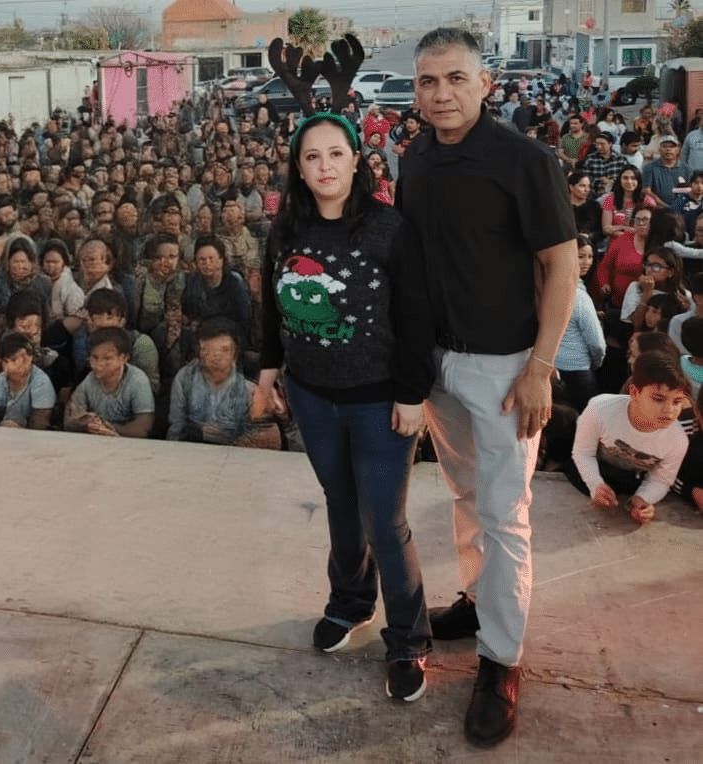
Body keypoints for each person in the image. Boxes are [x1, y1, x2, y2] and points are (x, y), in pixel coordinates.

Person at [395, 28, 578, 746]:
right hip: (438, 364)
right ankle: (478, 600)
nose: (441, 93)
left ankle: (501, 660)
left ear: (485, 84)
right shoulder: (415, 158)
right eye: (427, 81)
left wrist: (539, 367)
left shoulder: (525, 160)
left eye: (455, 78)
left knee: (506, 514)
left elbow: (562, 267)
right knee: (467, 495)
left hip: (505, 369)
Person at [255, 57, 434, 701]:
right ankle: (351, 604)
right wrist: (268, 371)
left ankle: (408, 640)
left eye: (336, 153)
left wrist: (412, 394)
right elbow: (271, 307)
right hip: (312, 397)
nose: (325, 166)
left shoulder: (389, 230)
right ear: (298, 168)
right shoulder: (285, 229)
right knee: (340, 506)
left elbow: (417, 320)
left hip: (379, 403)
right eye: (312, 157)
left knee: (385, 521)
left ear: (357, 160)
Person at [567, 350, 689, 525]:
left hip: (633, 481)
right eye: (658, 399)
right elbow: (583, 453)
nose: (669, 410)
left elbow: (661, 479)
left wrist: (643, 499)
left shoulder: (678, 440)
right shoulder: (600, 409)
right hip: (592, 469)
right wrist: (595, 485)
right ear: (634, 392)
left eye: (677, 401)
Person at [168, 317, 277, 448]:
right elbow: (176, 425)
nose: (217, 357)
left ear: (235, 353)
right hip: (191, 449)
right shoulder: (185, 378)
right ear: (200, 352)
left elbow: (263, 437)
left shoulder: (250, 389)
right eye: (209, 350)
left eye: (224, 350)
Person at [63, 326, 154, 438]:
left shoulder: (137, 381)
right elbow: (70, 420)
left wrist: (107, 428)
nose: (99, 364)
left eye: (107, 358)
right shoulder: (90, 380)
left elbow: (144, 429)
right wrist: (86, 423)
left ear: (124, 358)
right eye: (94, 357)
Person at [555, 235, 606, 411]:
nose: (587, 262)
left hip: (555, 367)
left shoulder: (550, 289)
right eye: (581, 256)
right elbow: (597, 344)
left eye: (590, 257)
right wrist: (596, 363)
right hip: (578, 371)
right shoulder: (579, 297)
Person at [0, 332, 55, 429]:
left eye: (26, 357)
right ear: (4, 362)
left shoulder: (42, 382)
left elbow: (40, 423)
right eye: (14, 359)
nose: (22, 362)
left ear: (31, 357)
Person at [601, 166, 657, 240]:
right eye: (625, 178)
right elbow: (606, 229)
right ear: (619, 180)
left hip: (641, 241)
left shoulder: (647, 200)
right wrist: (624, 229)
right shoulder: (610, 199)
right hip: (617, 240)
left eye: (633, 178)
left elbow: (653, 228)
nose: (629, 181)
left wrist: (618, 230)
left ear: (638, 181)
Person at [642, 135, 691, 207]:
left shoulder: (686, 169)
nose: (668, 149)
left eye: (672, 146)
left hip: (681, 209)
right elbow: (646, 190)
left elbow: (691, 190)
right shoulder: (650, 167)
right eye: (664, 146)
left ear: (678, 149)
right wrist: (665, 206)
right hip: (658, 209)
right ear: (659, 149)